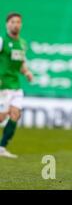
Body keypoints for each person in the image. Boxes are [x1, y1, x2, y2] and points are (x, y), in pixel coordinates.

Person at [0, 13, 33, 158]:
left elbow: (21, 62)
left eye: (18, 22)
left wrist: (26, 72)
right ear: (7, 24)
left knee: (15, 114)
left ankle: (2, 147)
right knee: (1, 117)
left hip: (16, 86)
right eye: (12, 22)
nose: (16, 24)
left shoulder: (23, 43)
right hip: (3, 86)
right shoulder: (2, 41)